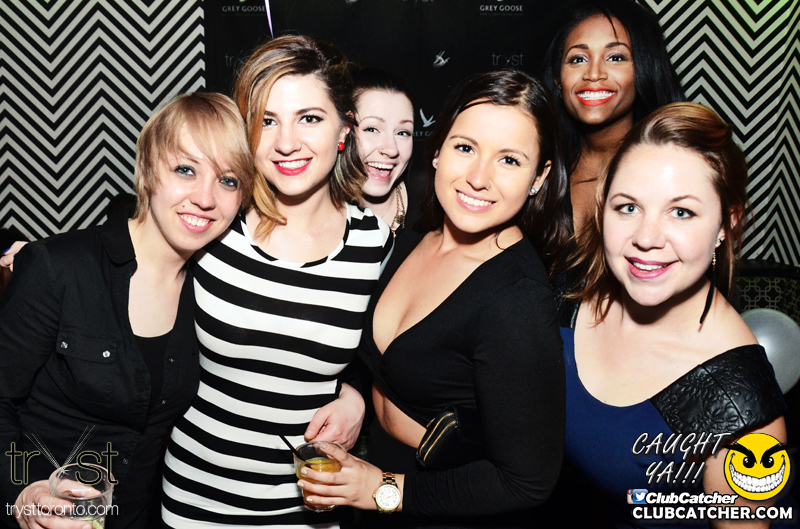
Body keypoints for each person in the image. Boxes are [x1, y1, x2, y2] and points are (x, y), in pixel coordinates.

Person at [296, 69, 569, 528]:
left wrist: (381, 490)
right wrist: (355, 397)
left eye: (509, 160)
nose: (478, 177)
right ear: (438, 151)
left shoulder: (517, 301)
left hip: (439, 507)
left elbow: (526, 483)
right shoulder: (414, 238)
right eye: (465, 148)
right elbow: (384, 360)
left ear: (539, 177)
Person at [160, 35, 393, 528]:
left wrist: (356, 396)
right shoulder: (216, 221)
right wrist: (51, 259)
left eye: (309, 118)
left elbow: (386, 357)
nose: (286, 142)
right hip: (195, 504)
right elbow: (130, 264)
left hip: (307, 512)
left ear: (344, 129)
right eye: (267, 121)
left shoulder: (374, 244)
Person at [0, 92, 256, 529]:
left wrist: (349, 391)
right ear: (149, 168)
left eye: (228, 181)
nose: (205, 197)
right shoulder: (61, 268)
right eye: (186, 169)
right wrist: (22, 489)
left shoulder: (215, 290)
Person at [558, 102, 786, 528]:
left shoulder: (734, 399)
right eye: (628, 207)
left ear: (726, 224)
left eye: (681, 212)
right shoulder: (569, 297)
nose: (646, 238)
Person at [542, 0, 684, 232]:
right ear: (558, 81)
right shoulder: (540, 168)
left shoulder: (672, 169)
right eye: (578, 59)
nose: (594, 74)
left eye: (615, 57)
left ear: (644, 71)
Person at [352, 67, 417, 235]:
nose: (391, 149)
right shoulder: (312, 218)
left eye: (402, 133)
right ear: (342, 131)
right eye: (372, 129)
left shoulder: (434, 209)